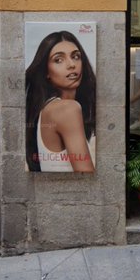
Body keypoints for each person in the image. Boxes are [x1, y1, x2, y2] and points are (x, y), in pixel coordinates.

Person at [25, 30, 96, 173]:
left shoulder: (47, 108)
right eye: (58, 60)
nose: (71, 64)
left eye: (76, 56)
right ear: (46, 71)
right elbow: (86, 176)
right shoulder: (67, 109)